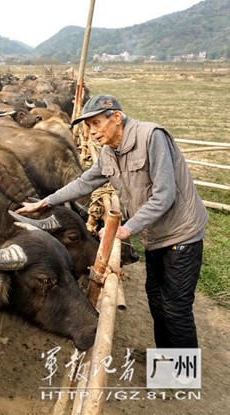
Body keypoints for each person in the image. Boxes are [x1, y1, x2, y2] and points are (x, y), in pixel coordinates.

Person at [15, 94, 208, 349]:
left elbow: (165, 195)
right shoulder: (109, 151)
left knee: (176, 308)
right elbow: (85, 182)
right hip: (155, 237)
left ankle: (182, 377)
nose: (92, 132)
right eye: (88, 127)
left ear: (116, 117)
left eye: (96, 123)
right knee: (158, 301)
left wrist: (126, 229)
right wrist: (45, 202)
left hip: (181, 236)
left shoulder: (152, 137)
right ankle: (166, 362)